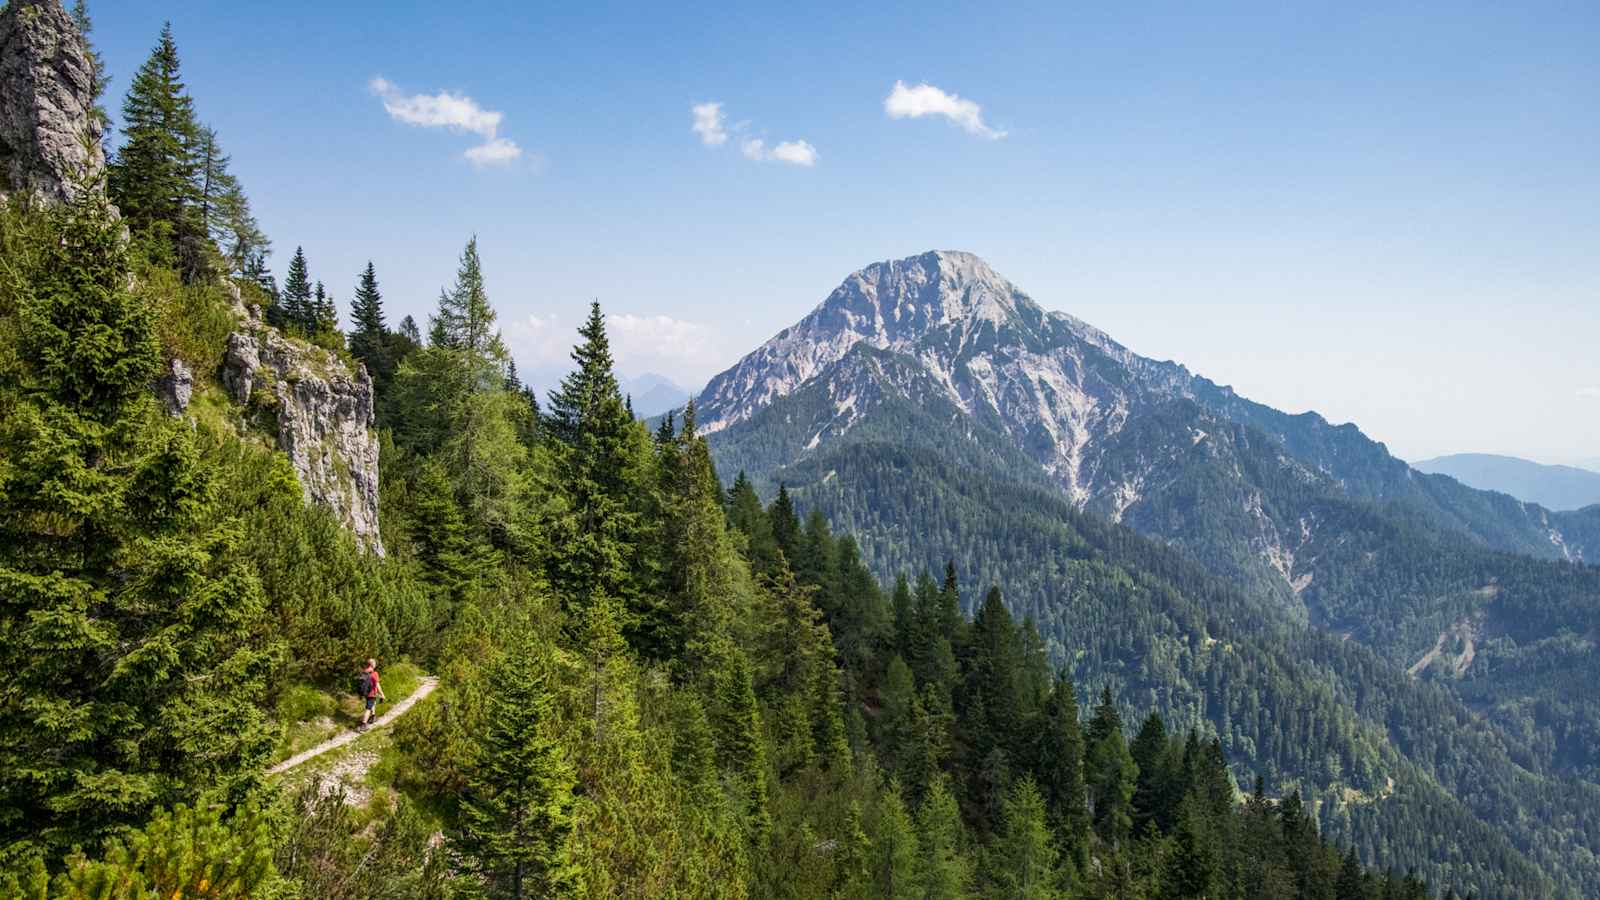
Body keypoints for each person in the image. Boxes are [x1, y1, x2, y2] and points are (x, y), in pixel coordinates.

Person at [358, 657, 386, 731]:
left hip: (366, 693)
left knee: (373, 703)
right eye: (375, 664)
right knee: (368, 709)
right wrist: (382, 694)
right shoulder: (374, 673)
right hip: (371, 693)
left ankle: (373, 717)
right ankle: (363, 724)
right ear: (373, 665)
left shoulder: (364, 672)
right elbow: (377, 686)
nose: (375, 665)